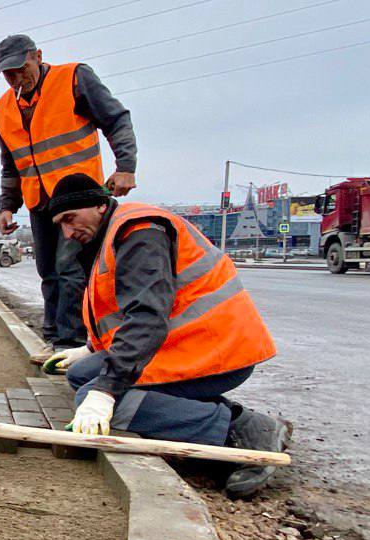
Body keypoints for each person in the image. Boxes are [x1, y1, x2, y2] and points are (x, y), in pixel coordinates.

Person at [39, 173, 288, 498]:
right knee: (82, 373)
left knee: (98, 396)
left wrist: (105, 392)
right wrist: (89, 350)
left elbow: (146, 317)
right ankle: (206, 417)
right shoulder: (112, 235)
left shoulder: (139, 232)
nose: (68, 232)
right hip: (187, 343)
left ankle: (238, 431)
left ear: (100, 205)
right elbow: (125, 313)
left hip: (216, 350)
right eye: (60, 224)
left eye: (70, 219)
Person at [0, 34, 138, 364]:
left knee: (70, 267)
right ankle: (55, 338)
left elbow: (116, 119)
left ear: (37, 56)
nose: (17, 78)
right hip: (38, 200)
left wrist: (126, 166)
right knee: (49, 271)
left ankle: (70, 342)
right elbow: (10, 163)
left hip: (78, 199)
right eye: (9, 74)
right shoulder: (4, 108)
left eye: (21, 69)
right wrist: (7, 206)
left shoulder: (74, 78)